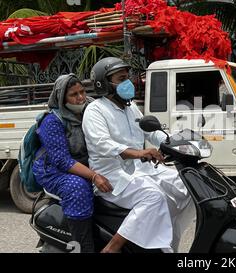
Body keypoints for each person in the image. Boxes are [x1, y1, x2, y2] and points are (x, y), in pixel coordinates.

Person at [82, 57, 193, 253]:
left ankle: (166, 244)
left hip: (142, 170)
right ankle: (112, 247)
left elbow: (150, 131)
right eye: (121, 78)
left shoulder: (130, 107)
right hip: (113, 176)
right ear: (105, 83)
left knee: (187, 186)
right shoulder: (95, 110)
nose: (128, 83)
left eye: (128, 77)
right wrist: (139, 153)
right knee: (153, 197)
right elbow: (102, 144)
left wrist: (176, 143)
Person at [32, 74, 113, 253]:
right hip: (54, 169)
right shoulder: (52, 121)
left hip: (83, 163)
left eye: (82, 91)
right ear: (62, 98)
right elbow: (62, 160)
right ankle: (82, 244)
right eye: (74, 94)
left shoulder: (90, 111)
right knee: (78, 187)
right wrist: (94, 176)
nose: (80, 97)